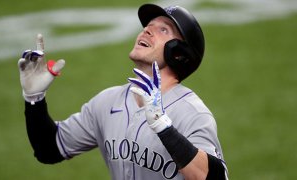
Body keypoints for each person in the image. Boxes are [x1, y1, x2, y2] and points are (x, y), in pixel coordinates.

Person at [18, 3, 228, 180]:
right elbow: (49, 149)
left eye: (163, 30)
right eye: (148, 26)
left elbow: (215, 177)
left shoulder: (191, 113)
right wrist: (34, 99)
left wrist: (163, 127)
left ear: (179, 55)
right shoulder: (108, 102)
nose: (146, 30)